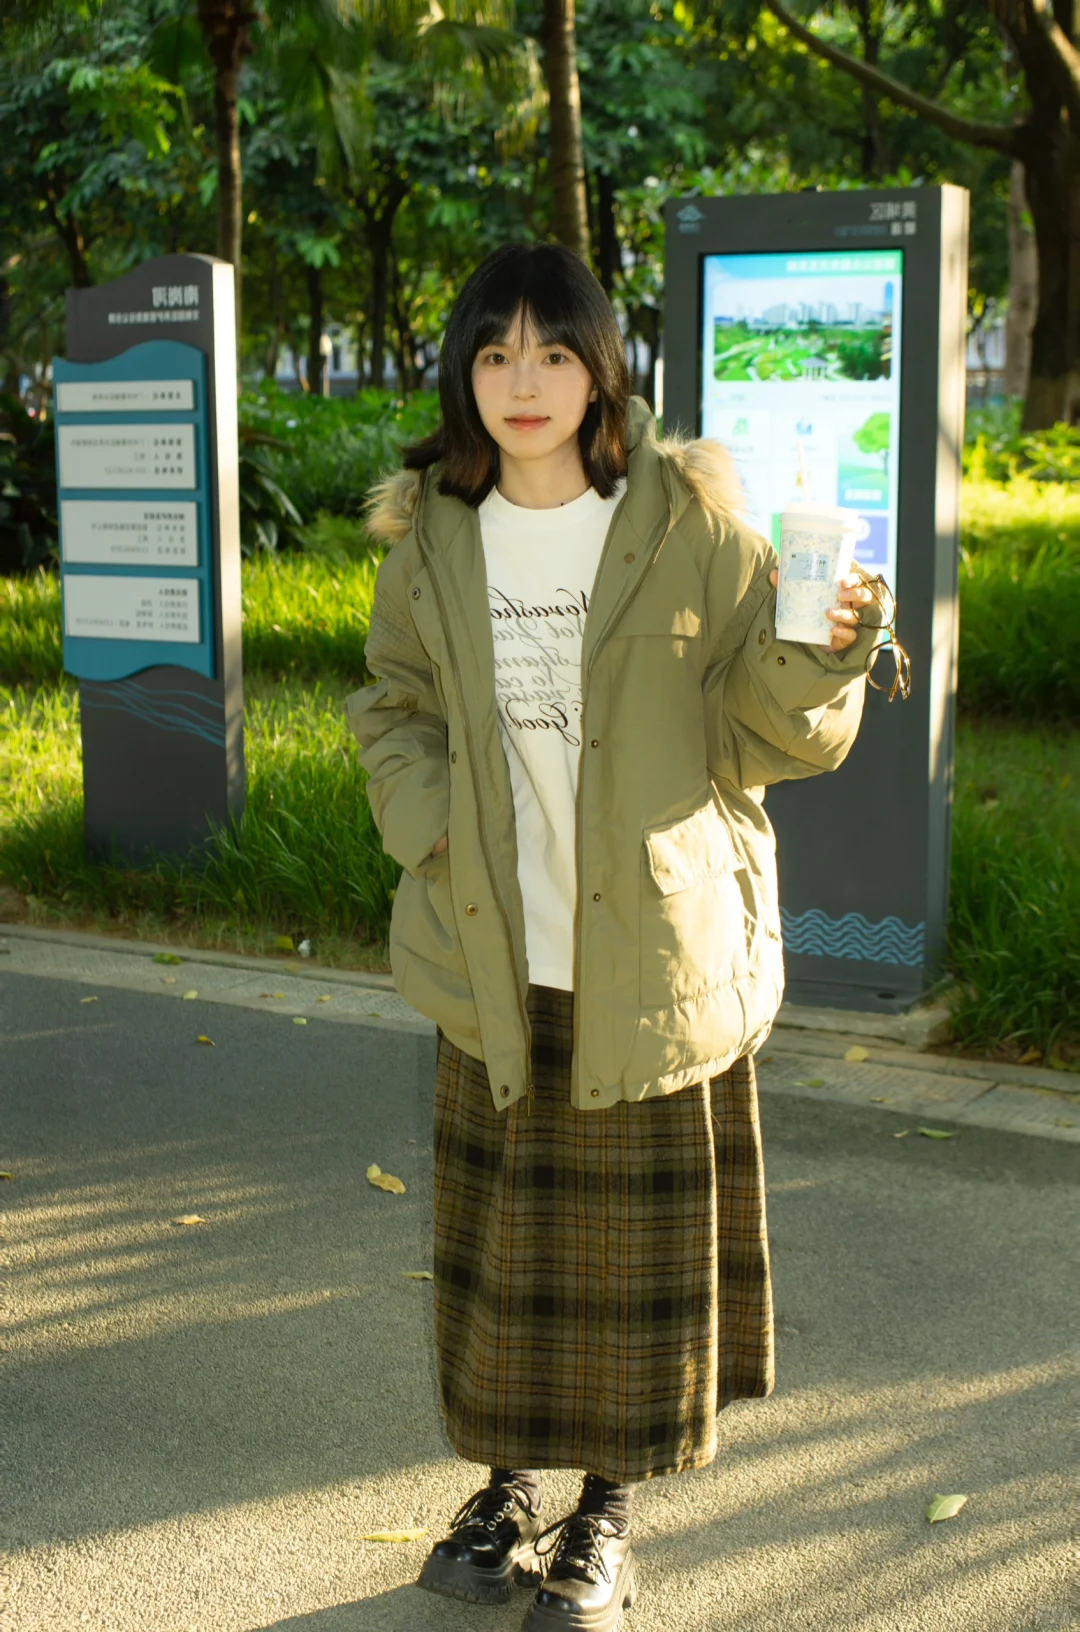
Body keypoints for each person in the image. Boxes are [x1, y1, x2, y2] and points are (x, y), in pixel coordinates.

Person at [346, 241, 880, 1632]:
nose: (523, 381)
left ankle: (606, 1510)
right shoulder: (433, 537)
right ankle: (509, 1485)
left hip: (650, 952)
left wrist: (827, 652)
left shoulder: (687, 524)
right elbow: (393, 704)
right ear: (464, 375)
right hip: (496, 952)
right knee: (510, 1255)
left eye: (553, 352)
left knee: (631, 1275)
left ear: (601, 371)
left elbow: (766, 731)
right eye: (494, 353)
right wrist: (431, 824)